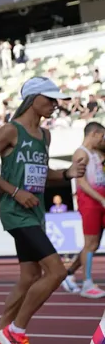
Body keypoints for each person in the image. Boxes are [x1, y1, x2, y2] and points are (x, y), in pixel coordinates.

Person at [0, 77, 83, 344]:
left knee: (29, 277)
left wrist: (68, 174)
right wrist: (15, 192)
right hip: (15, 211)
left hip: (36, 212)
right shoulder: (10, 130)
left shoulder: (45, 137)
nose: (55, 105)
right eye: (50, 99)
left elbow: (42, 174)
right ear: (33, 99)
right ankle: (16, 334)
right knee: (57, 272)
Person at [66, 121, 105, 298]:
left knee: (94, 244)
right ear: (94, 134)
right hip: (90, 202)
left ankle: (67, 274)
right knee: (90, 244)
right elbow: (81, 182)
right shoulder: (81, 153)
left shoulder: (96, 153)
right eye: (102, 136)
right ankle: (87, 284)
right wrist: (101, 199)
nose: (103, 139)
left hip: (99, 199)